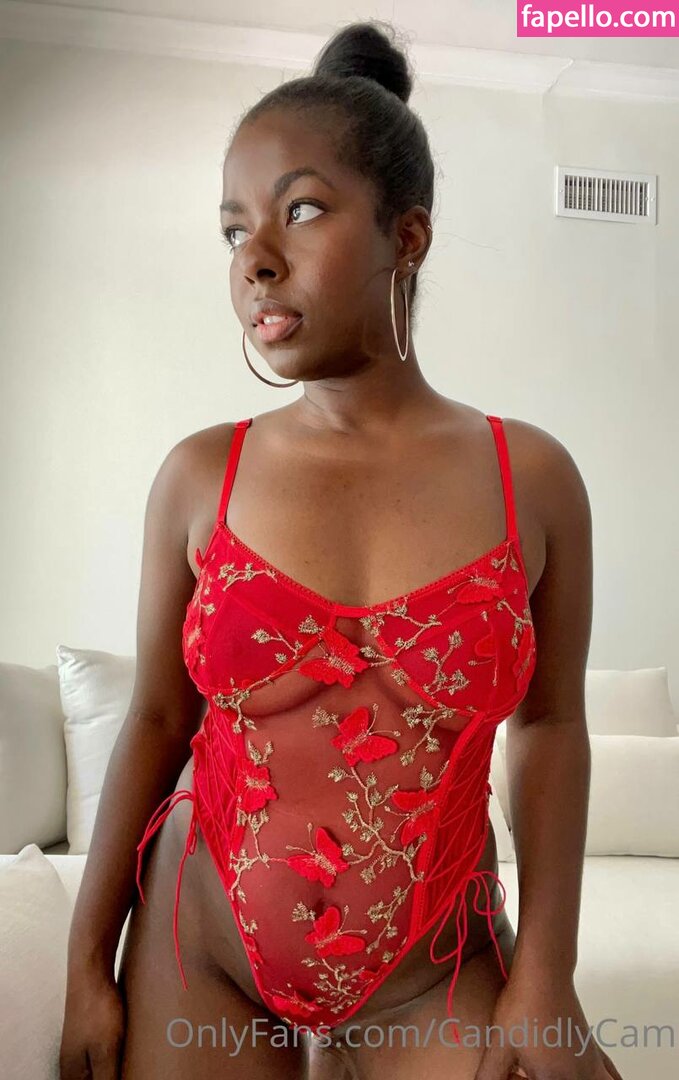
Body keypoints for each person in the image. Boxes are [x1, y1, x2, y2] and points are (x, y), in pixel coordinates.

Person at [59, 19, 624, 1080]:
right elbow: (157, 720)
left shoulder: (533, 478)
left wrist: (544, 973)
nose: (256, 259)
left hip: (433, 963)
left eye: (302, 210)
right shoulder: (200, 475)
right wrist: (86, 961)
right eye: (234, 230)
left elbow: (551, 727)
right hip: (203, 948)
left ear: (407, 236)